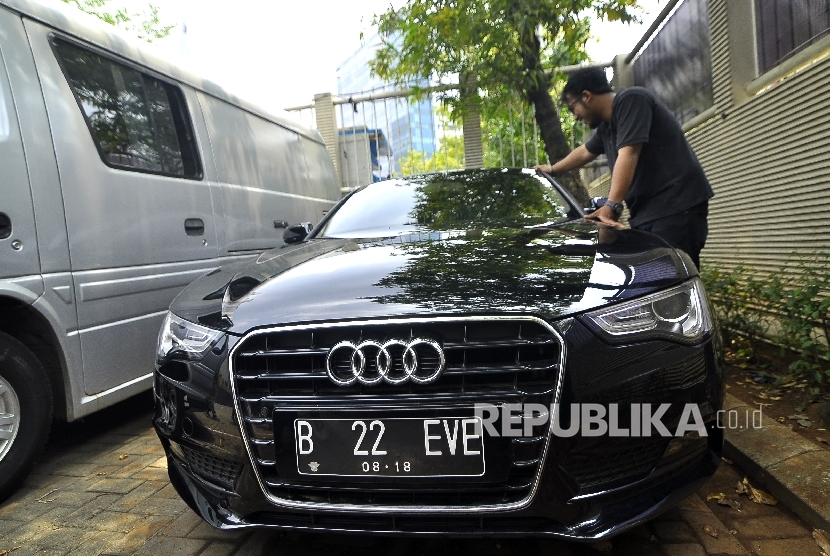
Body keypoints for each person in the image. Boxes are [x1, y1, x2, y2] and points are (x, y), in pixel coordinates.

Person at [535, 67, 714, 269]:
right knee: (657, 280)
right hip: (649, 213)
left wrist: (611, 206)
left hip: (676, 208)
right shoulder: (607, 127)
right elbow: (584, 153)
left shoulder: (632, 100)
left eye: (572, 107)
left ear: (586, 96)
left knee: (673, 279)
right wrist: (552, 170)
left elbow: (629, 152)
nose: (574, 116)